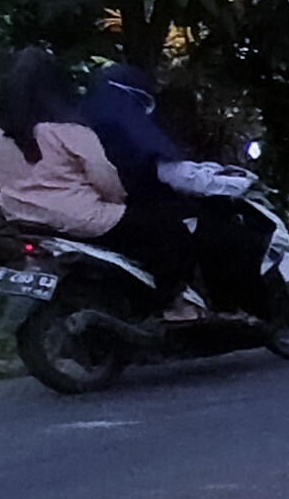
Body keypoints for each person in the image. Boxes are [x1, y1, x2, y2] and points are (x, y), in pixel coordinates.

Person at [0, 48, 205, 324]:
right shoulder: (70, 128)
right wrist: (118, 201)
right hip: (80, 218)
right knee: (171, 232)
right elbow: (104, 178)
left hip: (21, 218)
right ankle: (173, 305)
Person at [80, 62, 273, 316]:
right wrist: (233, 182)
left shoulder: (80, 124)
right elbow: (175, 174)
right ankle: (183, 304)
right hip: (132, 206)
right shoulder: (130, 127)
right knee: (210, 231)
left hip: (94, 209)